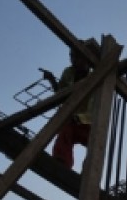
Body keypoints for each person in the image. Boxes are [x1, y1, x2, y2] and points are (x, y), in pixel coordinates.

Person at [41, 40, 97, 169]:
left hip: (89, 125)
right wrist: (52, 80)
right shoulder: (69, 72)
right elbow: (61, 95)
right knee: (64, 130)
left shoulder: (96, 78)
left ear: (86, 58)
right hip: (72, 122)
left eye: (76, 56)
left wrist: (80, 118)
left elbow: (95, 111)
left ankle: (89, 171)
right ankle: (61, 163)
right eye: (71, 56)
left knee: (96, 145)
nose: (73, 60)